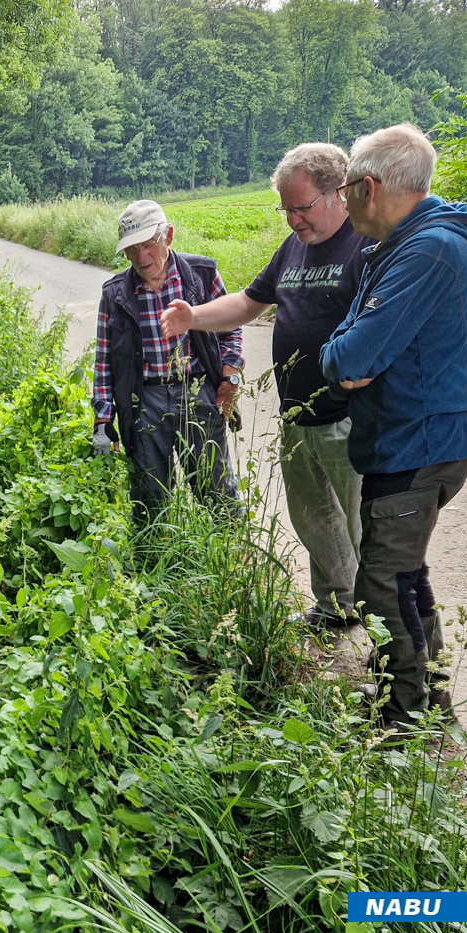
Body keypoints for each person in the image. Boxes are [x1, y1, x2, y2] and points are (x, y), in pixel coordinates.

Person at [160, 144, 373, 631]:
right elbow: (249, 302)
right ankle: (336, 605)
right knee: (313, 518)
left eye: (302, 207)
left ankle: (389, 641)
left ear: (337, 193)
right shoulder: (293, 248)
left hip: (350, 418)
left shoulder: (365, 246)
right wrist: (193, 317)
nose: (293, 219)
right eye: (286, 209)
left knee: (366, 530)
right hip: (297, 416)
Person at [320, 124, 467, 729]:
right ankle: (424, 697)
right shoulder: (402, 245)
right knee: (404, 575)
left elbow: (350, 357)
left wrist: (343, 357)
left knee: (383, 583)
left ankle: (406, 714)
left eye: (346, 188)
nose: (345, 200)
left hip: (419, 442)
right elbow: (352, 348)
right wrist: (347, 353)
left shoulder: (427, 251)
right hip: (408, 438)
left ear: (371, 186)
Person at [92, 199, 243, 517]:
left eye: (148, 245)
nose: (141, 257)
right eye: (132, 250)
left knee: (217, 491)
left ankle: (229, 544)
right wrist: (103, 421)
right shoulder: (115, 294)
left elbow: (231, 325)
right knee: (149, 500)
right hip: (145, 400)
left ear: (168, 236)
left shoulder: (202, 275)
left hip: (198, 391)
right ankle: (155, 547)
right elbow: (104, 361)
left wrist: (230, 377)